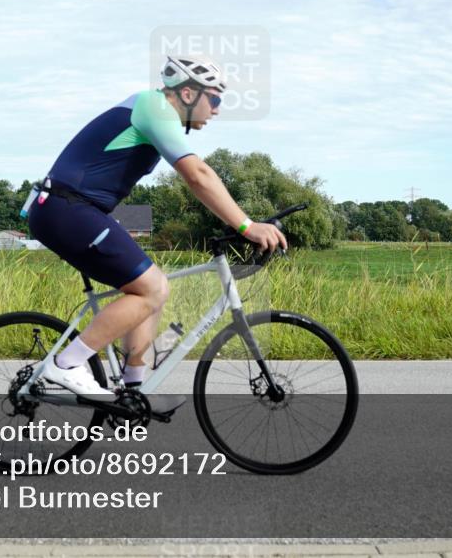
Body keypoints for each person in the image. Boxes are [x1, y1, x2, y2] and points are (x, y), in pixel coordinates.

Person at [27, 56, 288, 399]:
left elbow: (199, 182)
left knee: (151, 285)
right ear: (190, 92)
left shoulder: (151, 109)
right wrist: (246, 226)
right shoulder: (154, 106)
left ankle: (133, 387)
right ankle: (66, 366)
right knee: (152, 289)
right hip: (66, 207)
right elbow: (198, 176)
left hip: (72, 209)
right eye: (216, 99)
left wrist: (239, 222)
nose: (217, 110)